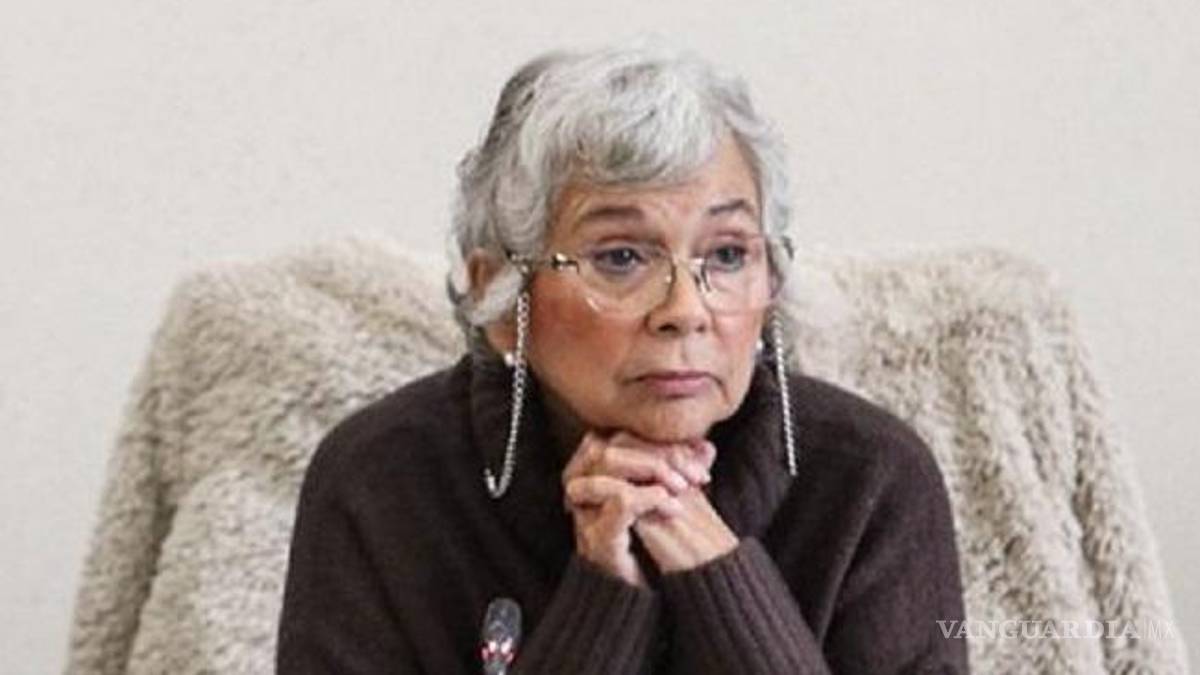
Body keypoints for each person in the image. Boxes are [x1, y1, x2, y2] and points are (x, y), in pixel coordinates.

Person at [276, 40, 970, 674]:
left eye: (728, 254)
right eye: (620, 257)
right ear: (502, 299)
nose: (686, 309)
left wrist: (722, 578)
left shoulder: (872, 479)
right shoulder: (381, 482)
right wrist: (601, 602)